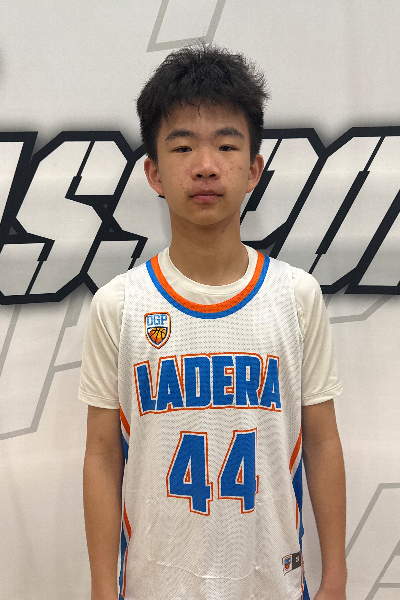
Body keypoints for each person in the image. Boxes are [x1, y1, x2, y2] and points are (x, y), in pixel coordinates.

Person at [80, 44, 347, 600]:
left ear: (254, 169)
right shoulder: (119, 305)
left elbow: (321, 441)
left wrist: (337, 579)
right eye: (182, 147)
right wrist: (103, 588)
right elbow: (102, 454)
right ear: (153, 172)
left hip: (271, 583)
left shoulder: (295, 297)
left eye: (226, 145)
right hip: (155, 585)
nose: (205, 165)